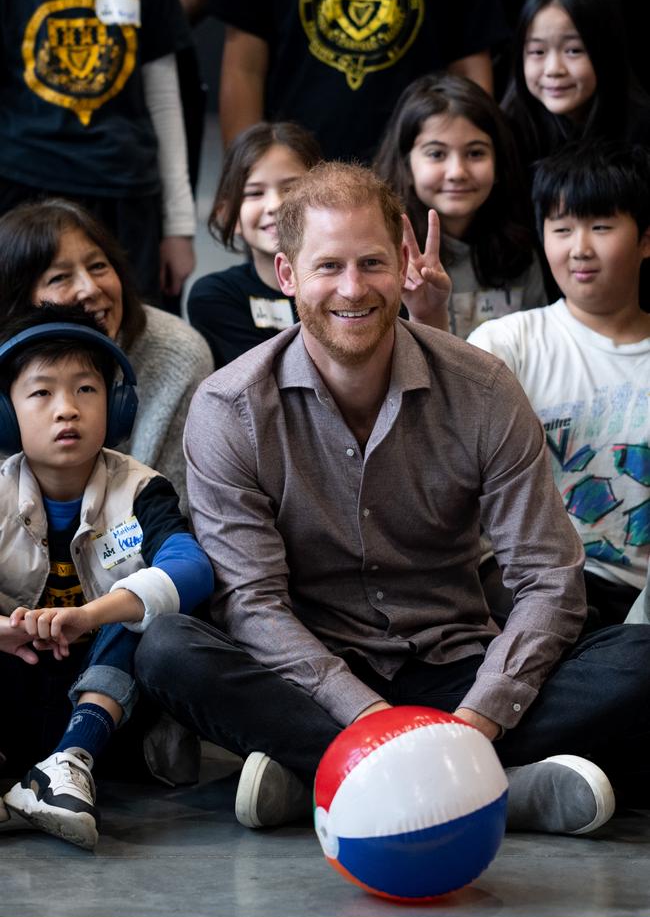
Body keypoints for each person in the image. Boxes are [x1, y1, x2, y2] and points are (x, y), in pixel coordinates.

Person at [136, 161, 650, 836]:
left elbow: (549, 579)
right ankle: (497, 787)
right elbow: (253, 602)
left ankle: (327, 778)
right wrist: (368, 717)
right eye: (328, 267)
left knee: (638, 658)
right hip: (312, 679)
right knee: (167, 649)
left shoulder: (482, 387)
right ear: (288, 275)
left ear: (405, 260)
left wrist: (479, 716)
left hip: (458, 669)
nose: (353, 289)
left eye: (373, 262)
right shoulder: (230, 407)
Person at [0, 304, 214, 849]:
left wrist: (90, 615)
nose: (66, 410)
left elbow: (191, 570)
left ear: (116, 406)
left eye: (86, 390)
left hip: (111, 716)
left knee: (144, 611)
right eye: (41, 393)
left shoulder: (143, 489)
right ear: (7, 413)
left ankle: (69, 763)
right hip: (18, 691)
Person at [468, 141, 650, 627]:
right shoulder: (508, 342)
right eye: (562, 228)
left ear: (646, 239)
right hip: (531, 588)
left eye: (602, 227)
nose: (579, 248)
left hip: (634, 596)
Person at [0, 0, 196, 305]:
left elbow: (166, 104)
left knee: (133, 330)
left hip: (125, 195)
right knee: (25, 334)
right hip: (24, 194)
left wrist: (179, 227)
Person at [0, 198, 213, 512]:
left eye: (99, 266)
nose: (90, 288)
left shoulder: (177, 354)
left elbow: (177, 510)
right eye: (60, 277)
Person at [211, 0, 509, 162]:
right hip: (295, 170)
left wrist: (468, 160)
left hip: (418, 173)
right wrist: (244, 174)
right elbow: (243, 68)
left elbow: (470, 69)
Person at [375, 73, 547, 339]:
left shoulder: (520, 252)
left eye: (475, 153)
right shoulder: (383, 255)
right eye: (436, 154)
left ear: (499, 163)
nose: (457, 172)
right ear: (406, 166)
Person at [187, 122, 323, 368]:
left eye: (291, 189)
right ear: (227, 214)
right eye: (254, 193)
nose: (275, 205)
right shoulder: (215, 296)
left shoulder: (353, 285)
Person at [502, 0, 650, 171]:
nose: (554, 69)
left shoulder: (642, 132)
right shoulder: (508, 131)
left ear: (608, 53)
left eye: (573, 50)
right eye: (538, 51)